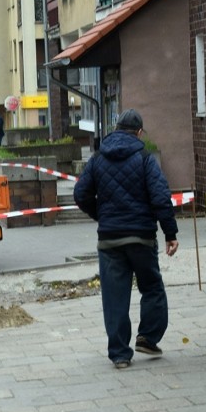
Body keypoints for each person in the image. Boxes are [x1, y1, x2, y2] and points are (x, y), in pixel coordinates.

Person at [73, 108, 179, 370]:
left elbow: (80, 194)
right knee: (152, 287)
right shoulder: (144, 158)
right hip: (141, 237)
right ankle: (148, 336)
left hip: (109, 240)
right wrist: (170, 233)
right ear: (139, 132)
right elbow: (160, 197)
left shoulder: (98, 158)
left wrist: (101, 215)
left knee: (114, 296)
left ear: (116, 128)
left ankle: (120, 354)